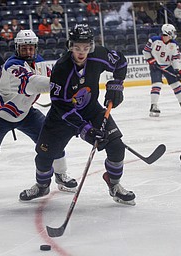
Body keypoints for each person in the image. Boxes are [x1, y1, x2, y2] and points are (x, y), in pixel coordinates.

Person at [19, 24, 135, 205]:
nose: (82, 52)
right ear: (70, 46)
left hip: (91, 110)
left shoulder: (98, 55)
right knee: (44, 155)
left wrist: (116, 85)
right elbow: (60, 105)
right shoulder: (61, 68)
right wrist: (84, 129)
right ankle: (42, 185)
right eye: (77, 48)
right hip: (62, 117)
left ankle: (114, 184)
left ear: (91, 47)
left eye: (86, 48)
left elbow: (120, 62)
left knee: (116, 146)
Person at [0, 30, 77, 200]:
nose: (28, 52)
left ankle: (61, 175)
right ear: (16, 48)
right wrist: (64, 84)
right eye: (24, 49)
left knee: (53, 140)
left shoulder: (40, 62)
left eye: (31, 48)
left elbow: (53, 79)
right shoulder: (11, 65)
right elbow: (34, 84)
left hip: (25, 113)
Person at [143, 24, 181, 117]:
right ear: (168, 32)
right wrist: (151, 61)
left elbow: (175, 59)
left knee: (176, 84)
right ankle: (153, 105)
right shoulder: (154, 40)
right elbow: (145, 51)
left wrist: (178, 71)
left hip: (168, 66)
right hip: (155, 66)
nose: (174, 34)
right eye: (173, 32)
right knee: (157, 84)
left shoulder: (174, 44)